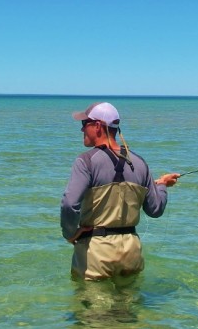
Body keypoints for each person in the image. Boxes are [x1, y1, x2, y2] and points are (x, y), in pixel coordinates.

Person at [60, 102, 180, 281]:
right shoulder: (140, 163)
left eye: (85, 124)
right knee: (128, 307)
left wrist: (70, 234)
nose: (82, 130)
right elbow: (155, 210)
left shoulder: (86, 161)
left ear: (98, 126)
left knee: (93, 307)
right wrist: (162, 185)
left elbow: (70, 204)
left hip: (96, 250)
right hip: (131, 250)